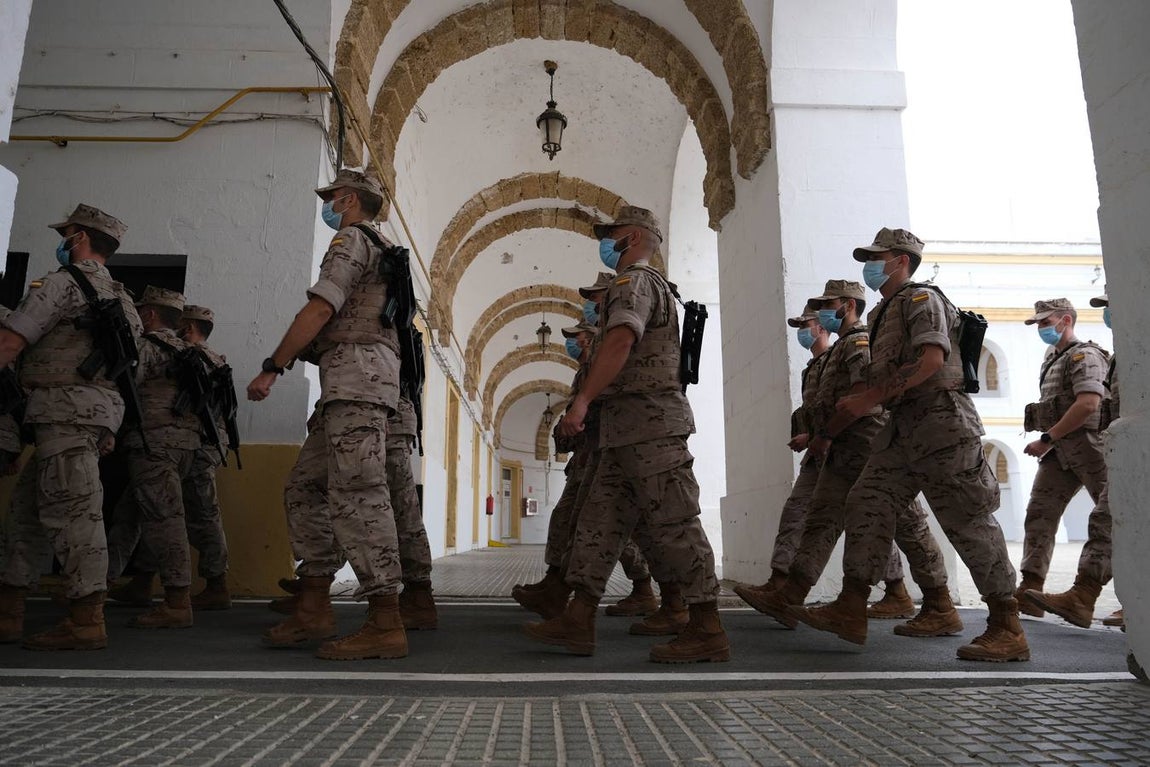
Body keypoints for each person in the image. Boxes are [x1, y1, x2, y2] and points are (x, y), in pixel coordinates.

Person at [789, 227, 1029, 663]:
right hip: (900, 429)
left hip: (942, 425)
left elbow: (932, 359)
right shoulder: (885, 310)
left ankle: (1006, 624)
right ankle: (853, 607)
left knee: (967, 521)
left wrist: (868, 399)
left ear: (901, 260)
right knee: (865, 501)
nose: (870, 265)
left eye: (877, 257)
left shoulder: (922, 300)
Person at [527, 206, 728, 663]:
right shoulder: (645, 284)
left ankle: (707, 627)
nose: (605, 241)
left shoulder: (633, 282)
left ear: (634, 237)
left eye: (611, 234)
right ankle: (578, 619)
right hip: (623, 432)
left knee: (677, 524)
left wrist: (580, 402)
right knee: (599, 524)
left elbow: (620, 341)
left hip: (651, 430)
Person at [248, 168, 406, 661]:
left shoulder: (352, 241)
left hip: (357, 380)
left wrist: (274, 366)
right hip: (349, 382)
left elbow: (320, 309)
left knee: (358, 493)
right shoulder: (379, 248)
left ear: (351, 199)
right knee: (305, 485)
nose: (329, 204)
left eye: (333, 196)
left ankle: (385, 621)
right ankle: (314, 603)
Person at [745, 280, 954, 637]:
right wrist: (822, 435)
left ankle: (940, 602)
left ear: (850, 305)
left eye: (831, 304)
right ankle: (791, 594)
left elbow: (862, 398)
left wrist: (824, 435)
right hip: (841, 445)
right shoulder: (840, 348)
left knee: (906, 524)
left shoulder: (858, 342)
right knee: (821, 518)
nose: (825, 311)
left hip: (867, 442)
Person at [0, 204, 140, 650]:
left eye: (67, 234)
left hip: (63, 414)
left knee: (76, 516)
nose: (61, 240)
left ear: (78, 239)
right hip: (83, 417)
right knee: (26, 514)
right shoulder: (124, 300)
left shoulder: (61, 284)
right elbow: (129, 371)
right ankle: (9, 610)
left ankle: (85, 618)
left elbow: (11, 341)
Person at [1017, 298, 1112, 628]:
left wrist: (1047, 438)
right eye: (1039, 323)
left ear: (1066, 320)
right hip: (1062, 451)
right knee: (1039, 515)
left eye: (1046, 322)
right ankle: (1030, 589)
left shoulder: (1085, 356)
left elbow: (1088, 404)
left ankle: (1101, 598)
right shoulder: (1052, 358)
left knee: (1112, 519)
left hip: (1089, 447)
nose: (1042, 328)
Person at [732, 301, 830, 604]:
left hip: (843, 452)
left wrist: (813, 435)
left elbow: (846, 407)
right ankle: (780, 582)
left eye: (806, 325)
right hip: (817, 454)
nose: (802, 332)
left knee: (867, 520)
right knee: (795, 513)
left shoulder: (839, 358)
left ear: (822, 327)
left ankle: (898, 588)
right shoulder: (811, 368)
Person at [123, 286, 202, 630]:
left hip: (154, 443)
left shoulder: (150, 347)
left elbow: (125, 385)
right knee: (129, 514)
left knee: (164, 519)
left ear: (150, 315)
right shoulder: (193, 353)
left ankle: (176, 601)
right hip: (186, 445)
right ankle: (118, 581)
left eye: (142, 311)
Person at [178, 304, 233, 610]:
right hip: (197, 443)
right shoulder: (213, 359)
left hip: (200, 444)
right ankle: (143, 577)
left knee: (202, 511)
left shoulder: (197, 359)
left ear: (188, 329)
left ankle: (216, 583)